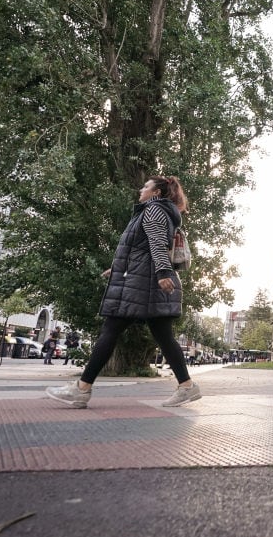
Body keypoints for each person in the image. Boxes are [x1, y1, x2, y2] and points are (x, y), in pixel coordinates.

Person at [46, 175, 201, 408]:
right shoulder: (155, 210)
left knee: (112, 329)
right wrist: (117, 268)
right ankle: (187, 387)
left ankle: (82, 389)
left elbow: (158, 244)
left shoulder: (154, 210)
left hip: (145, 284)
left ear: (156, 193)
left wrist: (162, 273)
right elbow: (140, 249)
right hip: (144, 282)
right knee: (163, 336)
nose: (141, 189)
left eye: (146, 186)